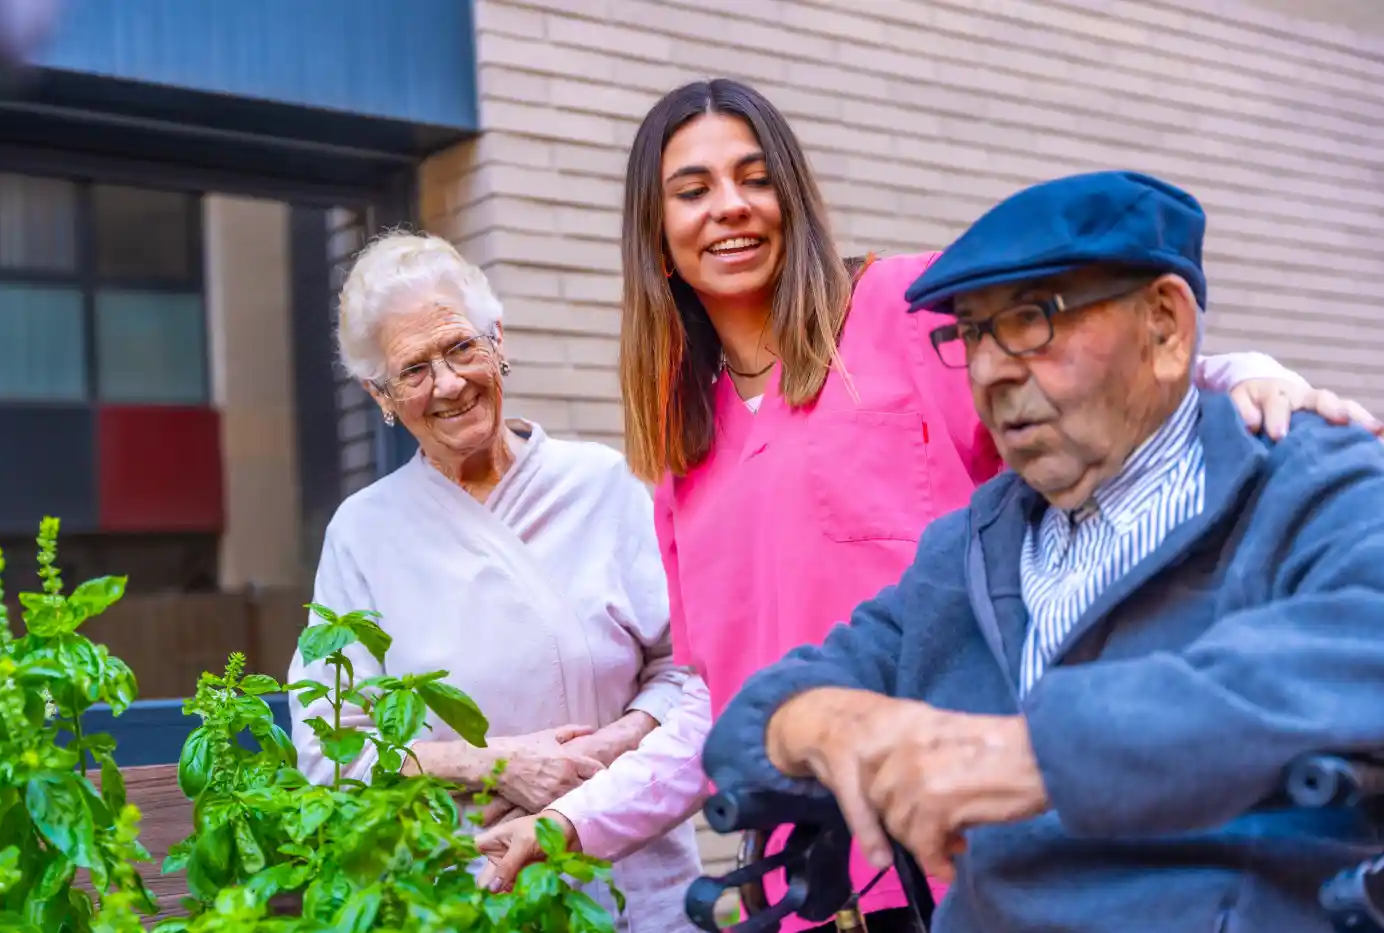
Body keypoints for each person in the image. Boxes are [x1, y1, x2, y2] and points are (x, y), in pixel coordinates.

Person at [475, 78, 1383, 932]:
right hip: (815, 883)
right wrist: (578, 820)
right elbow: (725, 704)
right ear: (654, 230)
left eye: (755, 177)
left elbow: (1113, 373)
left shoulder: (911, 313)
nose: (730, 206)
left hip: (989, 858)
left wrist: (1261, 381)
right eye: (693, 188)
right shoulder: (688, 453)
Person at [703, 170, 1384, 933]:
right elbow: (746, 722)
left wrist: (1040, 752)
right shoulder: (970, 546)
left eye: (1032, 320)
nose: (991, 367)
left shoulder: (1307, 484)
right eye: (969, 332)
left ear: (1165, 326)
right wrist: (832, 723)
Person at [287, 230, 705, 933]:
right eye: (413, 369)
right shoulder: (362, 533)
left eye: (459, 348)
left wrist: (605, 749)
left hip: (635, 883)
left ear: (498, 337)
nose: (447, 384)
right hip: (467, 900)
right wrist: (490, 764)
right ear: (379, 394)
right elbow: (331, 747)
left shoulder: (600, 484)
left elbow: (689, 667)